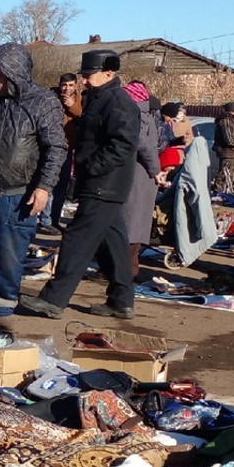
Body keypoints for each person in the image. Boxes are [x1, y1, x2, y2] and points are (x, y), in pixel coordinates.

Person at [20, 49, 140, 320]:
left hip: (104, 183)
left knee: (78, 238)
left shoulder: (118, 103)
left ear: (109, 73)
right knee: (114, 242)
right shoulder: (98, 99)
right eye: (83, 75)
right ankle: (122, 299)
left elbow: (122, 144)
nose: (84, 80)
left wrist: (91, 168)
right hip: (101, 183)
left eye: (89, 75)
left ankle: (54, 298)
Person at [0, 43, 66, 332]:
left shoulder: (43, 103)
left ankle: (2, 308)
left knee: (9, 255)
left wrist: (43, 187)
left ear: (13, 74)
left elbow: (56, 148)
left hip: (18, 195)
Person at [122, 81, 164, 281]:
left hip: (137, 176)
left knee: (130, 226)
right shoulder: (148, 115)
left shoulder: (136, 115)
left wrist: (155, 169)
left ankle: (127, 273)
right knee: (133, 226)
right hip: (142, 177)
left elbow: (142, 143)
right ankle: (128, 270)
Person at [40, 73, 83, 234]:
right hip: (51, 146)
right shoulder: (51, 98)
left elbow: (85, 119)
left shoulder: (81, 100)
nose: (67, 88)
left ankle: (54, 219)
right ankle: (45, 220)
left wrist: (72, 106)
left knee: (61, 186)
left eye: (71, 85)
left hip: (69, 147)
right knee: (49, 183)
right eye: (64, 85)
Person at [213, 102, 234, 194]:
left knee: (228, 172)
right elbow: (227, 135)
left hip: (230, 151)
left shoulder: (229, 120)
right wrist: (233, 144)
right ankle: (219, 191)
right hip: (227, 151)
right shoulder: (226, 121)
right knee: (224, 172)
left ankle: (226, 190)